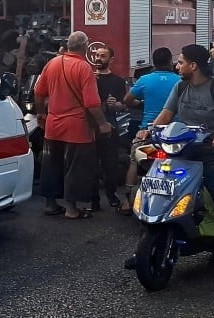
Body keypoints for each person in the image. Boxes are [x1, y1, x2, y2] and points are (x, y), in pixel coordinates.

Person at [127, 44, 214, 283]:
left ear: (193, 66)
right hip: (182, 151)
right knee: (155, 189)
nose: (178, 66)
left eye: (181, 62)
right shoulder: (180, 86)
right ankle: (142, 248)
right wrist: (149, 130)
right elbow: (166, 114)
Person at [33, 31, 112, 220]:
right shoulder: (83, 68)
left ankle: (51, 204)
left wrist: (41, 114)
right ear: (85, 46)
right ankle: (71, 209)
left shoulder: (52, 63)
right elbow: (92, 103)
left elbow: (38, 92)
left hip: (53, 126)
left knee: (51, 166)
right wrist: (102, 124)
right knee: (74, 168)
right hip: (76, 127)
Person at [119, 47, 179, 215]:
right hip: (173, 133)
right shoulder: (180, 81)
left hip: (147, 131)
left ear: (153, 63)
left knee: (134, 159)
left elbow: (127, 100)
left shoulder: (145, 79)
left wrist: (141, 103)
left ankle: (128, 200)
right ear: (170, 62)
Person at [93, 45, 131, 213]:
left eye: (102, 56)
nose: (98, 58)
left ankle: (111, 194)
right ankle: (93, 199)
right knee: (91, 165)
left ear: (111, 60)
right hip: (90, 128)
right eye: (97, 55)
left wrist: (115, 105)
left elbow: (123, 106)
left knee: (110, 165)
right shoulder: (90, 78)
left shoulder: (117, 81)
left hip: (110, 128)